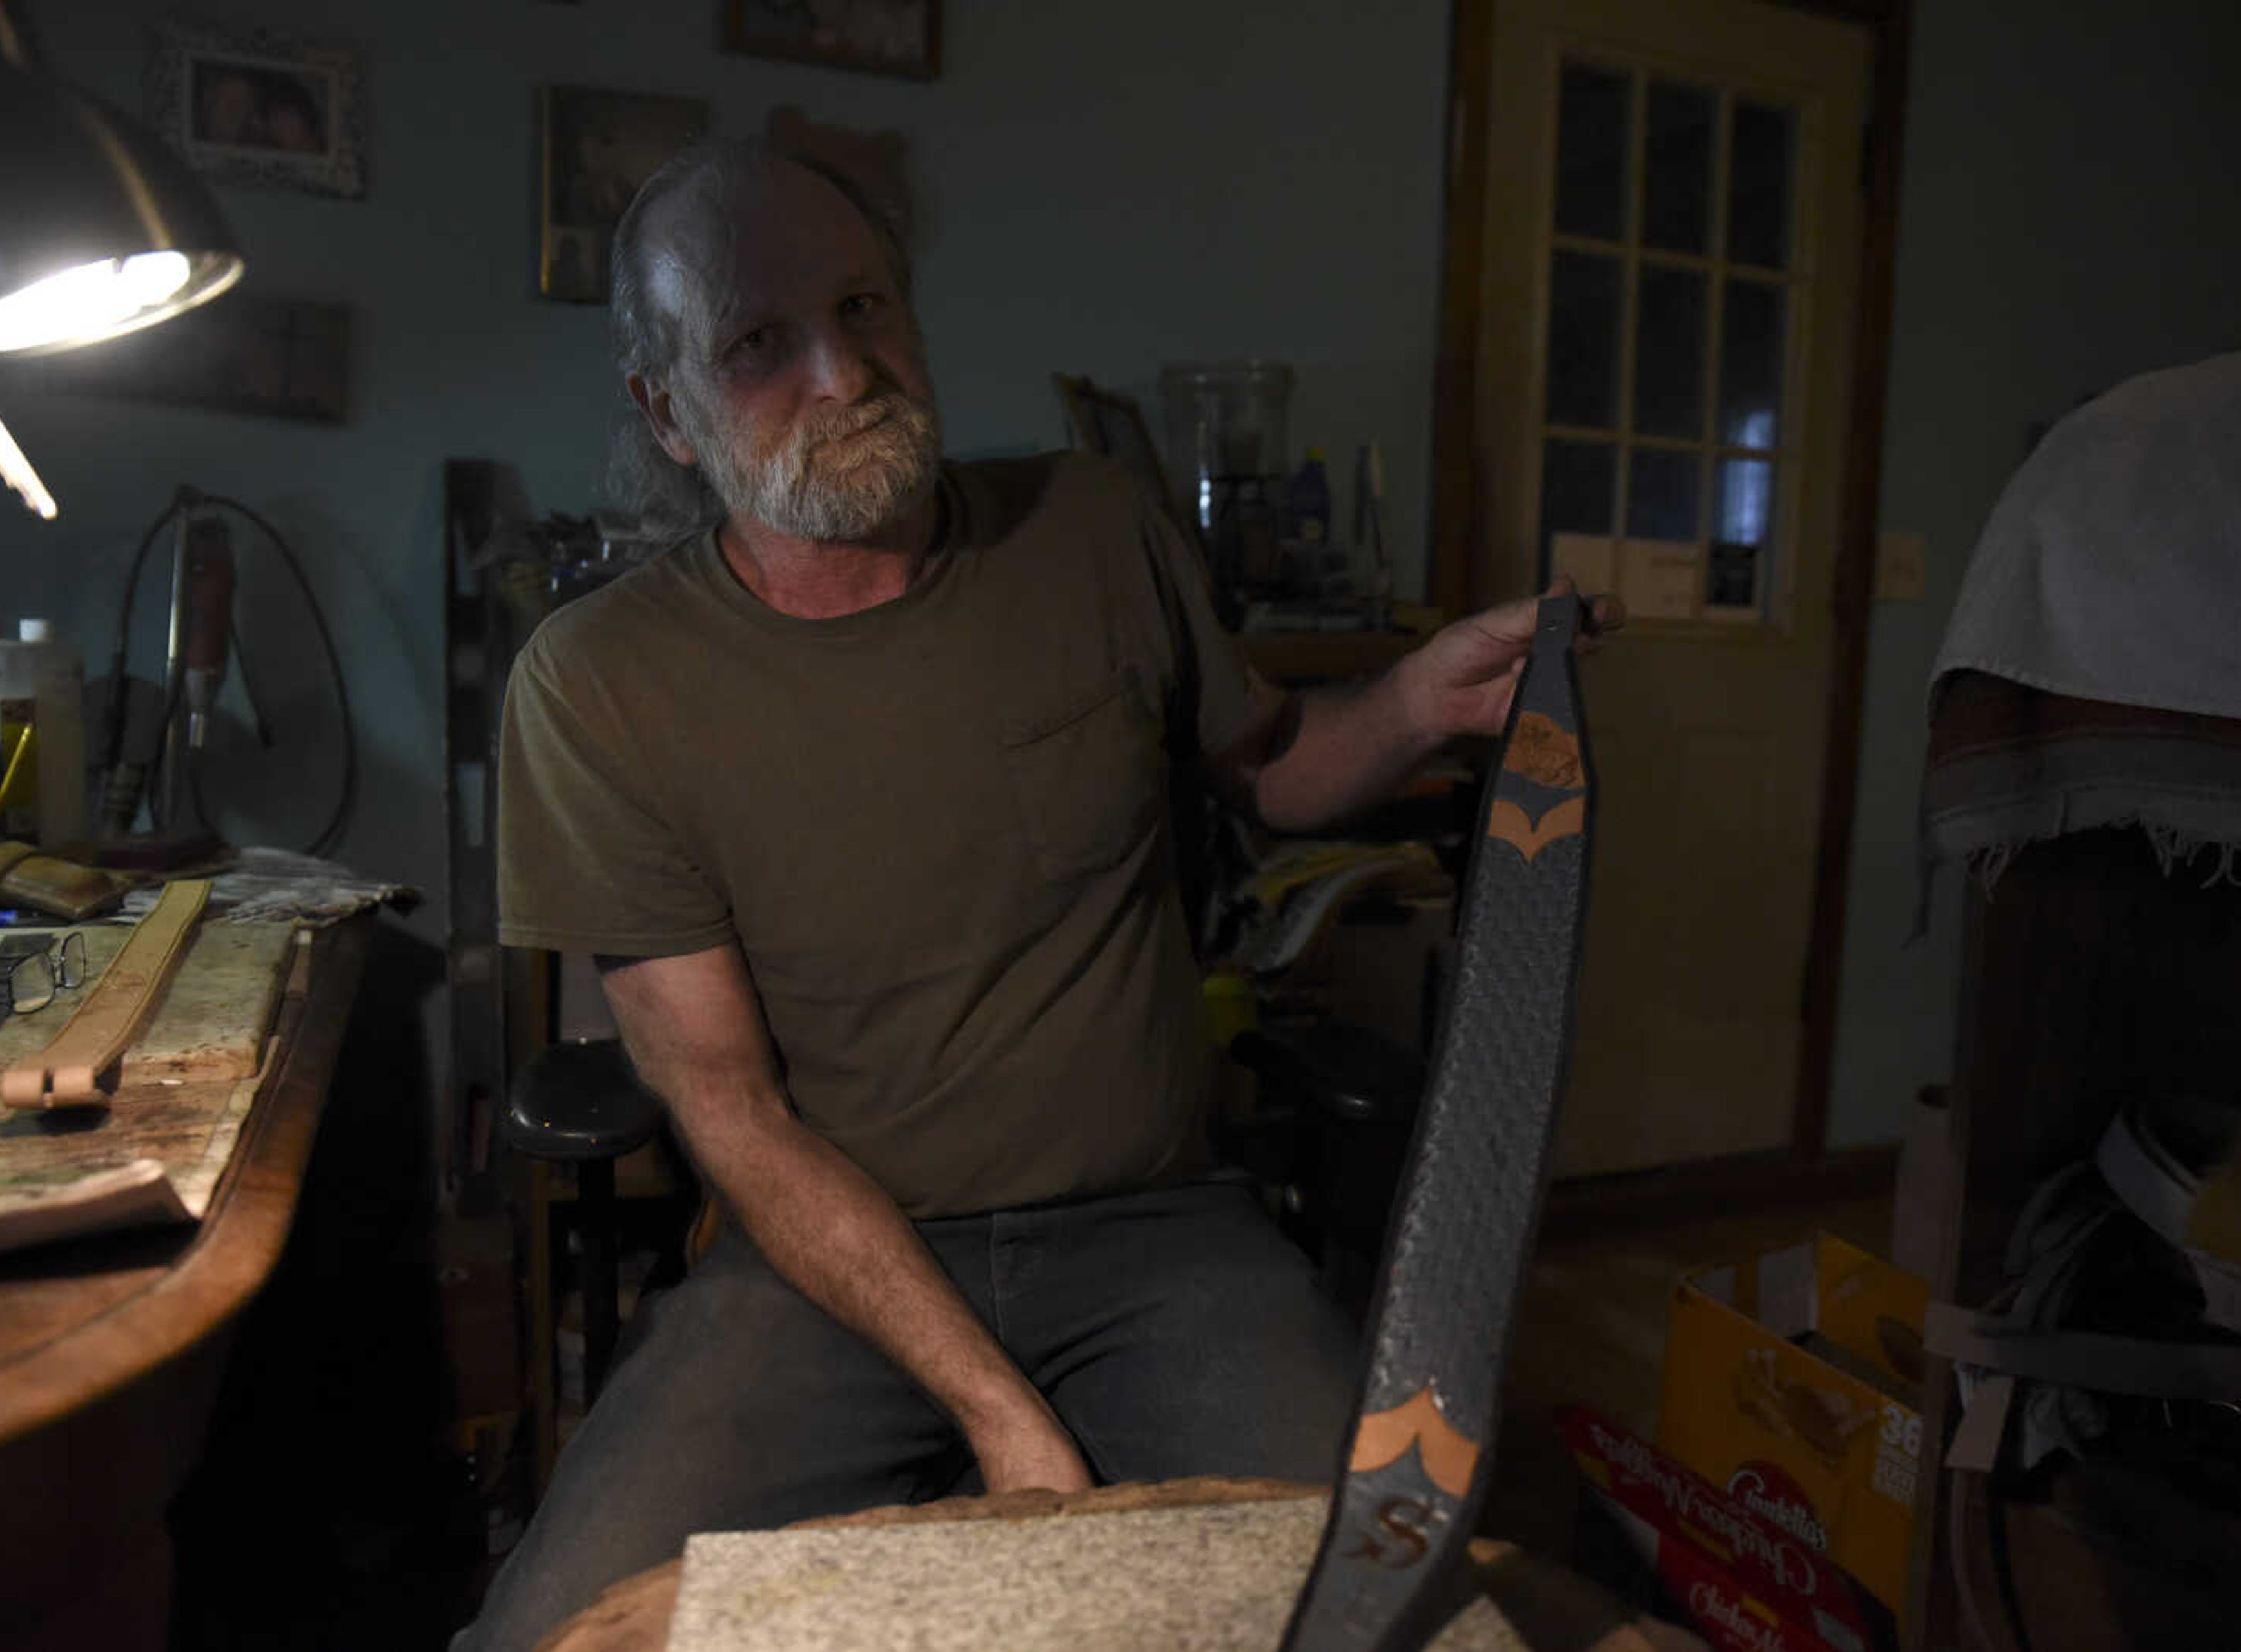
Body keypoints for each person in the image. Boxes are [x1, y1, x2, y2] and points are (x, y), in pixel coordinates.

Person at [462, 138, 1618, 1649]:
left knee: (1406, 1622)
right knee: (541, 1638)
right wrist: (1001, 1417)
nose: (845, 367)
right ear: (666, 411)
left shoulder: (1096, 527)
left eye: (867, 303)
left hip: (1161, 1238)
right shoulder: (600, 684)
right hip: (831, 1267)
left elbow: (1270, 767)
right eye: (759, 341)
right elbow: (735, 1119)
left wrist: (1409, 700)